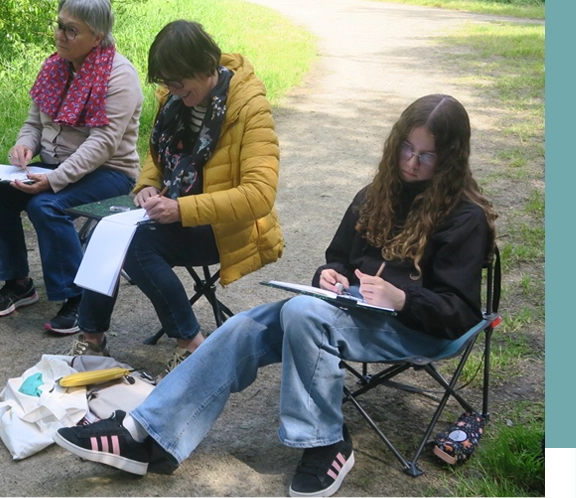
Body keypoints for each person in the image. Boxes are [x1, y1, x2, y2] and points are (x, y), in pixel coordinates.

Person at [54, 94, 497, 498]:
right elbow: (338, 259)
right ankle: (142, 432)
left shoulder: (464, 217)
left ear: (451, 159)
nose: (412, 163)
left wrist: (402, 299)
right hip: (351, 311)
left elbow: (458, 315)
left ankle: (326, 443)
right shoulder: (375, 195)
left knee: (304, 314)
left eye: (427, 156)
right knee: (242, 326)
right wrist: (331, 277)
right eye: (406, 148)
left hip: (415, 327)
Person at [70, 20, 282, 372]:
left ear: (203, 67)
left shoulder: (250, 108)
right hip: (175, 212)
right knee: (107, 230)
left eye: (178, 83)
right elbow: (160, 156)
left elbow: (260, 195)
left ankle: (191, 344)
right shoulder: (174, 98)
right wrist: (148, 185)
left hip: (225, 229)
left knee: (138, 247)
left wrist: (181, 208)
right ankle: (92, 338)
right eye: (167, 83)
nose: (171, 90)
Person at [0, 0, 142, 335]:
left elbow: (103, 143)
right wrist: (24, 147)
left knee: (46, 205)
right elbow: (34, 124)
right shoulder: (54, 67)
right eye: (59, 25)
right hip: (56, 167)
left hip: (110, 173)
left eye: (72, 30)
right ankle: (18, 283)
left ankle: (78, 297)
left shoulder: (119, 76)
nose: (60, 35)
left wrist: (54, 180)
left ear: (97, 36)